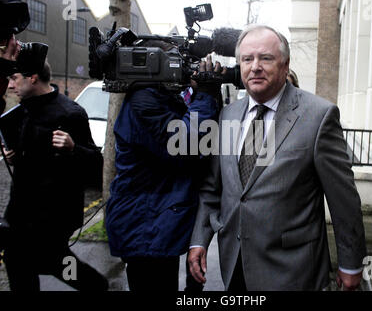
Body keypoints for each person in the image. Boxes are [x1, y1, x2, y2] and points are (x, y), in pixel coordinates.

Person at [188, 25, 367, 291]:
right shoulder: (228, 116)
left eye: (266, 58)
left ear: (285, 64)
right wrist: (199, 240)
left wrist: (351, 263)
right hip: (235, 264)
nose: (255, 66)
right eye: (248, 59)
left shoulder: (319, 116)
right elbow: (214, 189)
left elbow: (344, 200)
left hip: (293, 271)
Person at [105, 46, 224, 291]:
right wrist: (206, 95)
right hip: (145, 227)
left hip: (155, 222)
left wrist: (207, 94)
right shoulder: (144, 101)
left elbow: (206, 142)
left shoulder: (160, 97)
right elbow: (187, 143)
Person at [1, 57, 108, 291]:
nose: (10, 85)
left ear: (32, 77)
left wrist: (73, 149)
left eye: (14, 78)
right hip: (20, 214)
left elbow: (94, 168)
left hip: (51, 218)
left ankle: (97, 286)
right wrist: (14, 156)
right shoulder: (21, 113)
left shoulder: (71, 113)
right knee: (18, 264)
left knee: (55, 264)